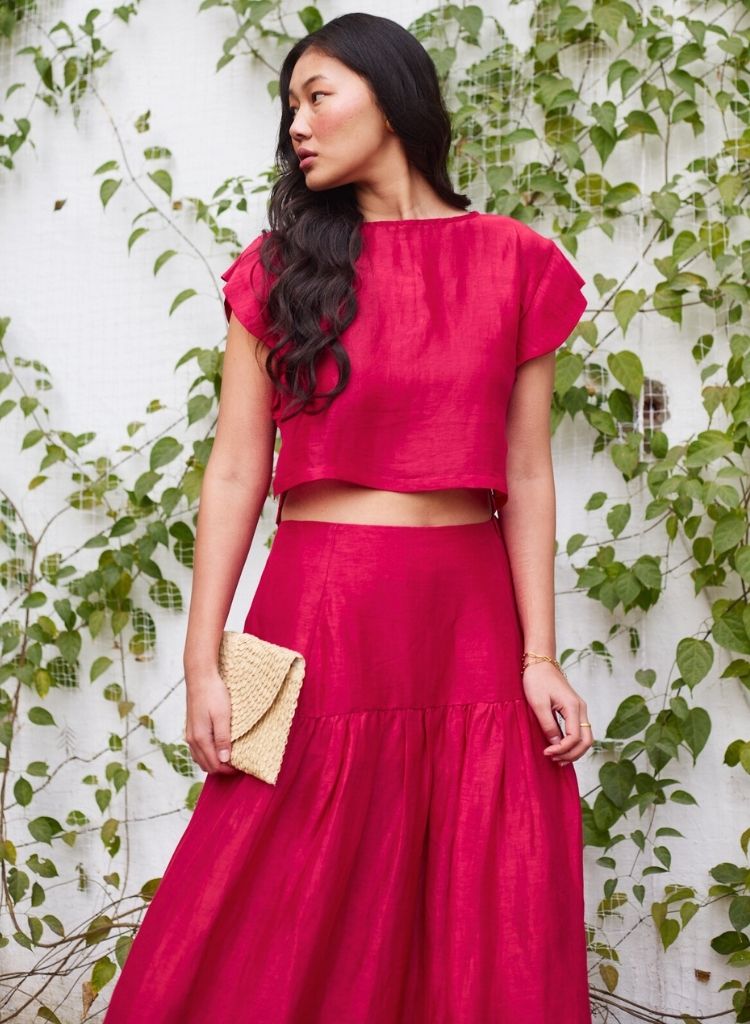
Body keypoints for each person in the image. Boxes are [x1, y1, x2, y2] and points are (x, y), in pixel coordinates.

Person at [103, 11, 594, 1023]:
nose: (297, 123)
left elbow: (527, 474)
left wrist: (539, 654)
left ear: (393, 99)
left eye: (317, 95)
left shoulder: (515, 261)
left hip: (467, 628)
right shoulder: (277, 269)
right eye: (289, 104)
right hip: (314, 614)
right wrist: (204, 659)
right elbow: (235, 470)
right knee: (256, 888)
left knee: (474, 893)